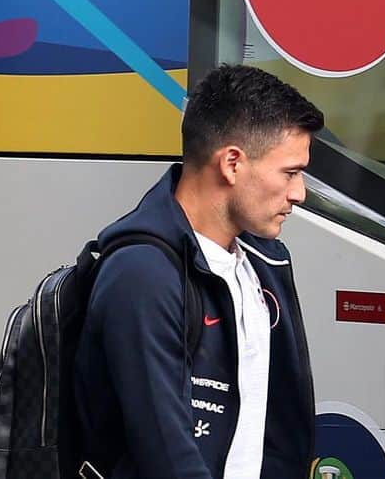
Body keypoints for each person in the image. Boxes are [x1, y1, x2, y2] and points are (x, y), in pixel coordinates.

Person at [74, 64, 325, 479]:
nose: (299, 193)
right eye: (291, 173)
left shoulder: (264, 263)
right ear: (231, 163)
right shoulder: (142, 276)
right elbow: (165, 457)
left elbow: (278, 434)